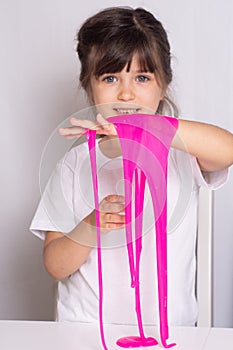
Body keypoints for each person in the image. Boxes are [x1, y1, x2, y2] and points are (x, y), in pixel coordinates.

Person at [30, 7, 233, 326]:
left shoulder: (181, 151)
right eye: (110, 77)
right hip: (85, 332)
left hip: (170, 334)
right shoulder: (74, 164)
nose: (126, 93)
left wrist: (153, 128)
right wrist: (90, 226)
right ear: (89, 86)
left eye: (142, 77)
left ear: (163, 86)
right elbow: (55, 265)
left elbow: (227, 149)